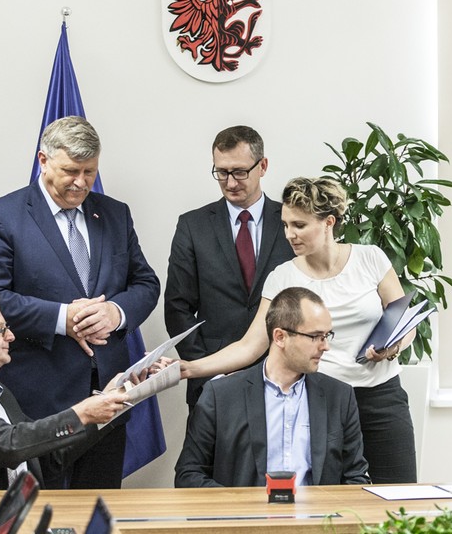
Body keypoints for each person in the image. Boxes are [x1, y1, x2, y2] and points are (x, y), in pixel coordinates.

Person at [181, 177, 417, 483]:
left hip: (382, 396)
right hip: (325, 401)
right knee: (332, 499)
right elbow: (250, 346)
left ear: (328, 222)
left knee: (399, 496)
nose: (289, 234)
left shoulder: (370, 258)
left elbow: (404, 322)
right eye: (286, 225)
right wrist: (187, 368)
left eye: (300, 225)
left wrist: (394, 346)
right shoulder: (282, 277)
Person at [0, 116, 160, 489]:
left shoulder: (115, 214)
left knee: (97, 513)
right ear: (43, 160)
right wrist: (62, 318)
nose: (81, 182)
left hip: (108, 398)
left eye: (90, 172)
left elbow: (145, 283)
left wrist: (114, 313)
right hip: (38, 405)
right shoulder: (2, 217)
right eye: (70, 170)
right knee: (43, 514)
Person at [0, 291, 132, 490]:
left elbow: (50, 457)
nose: (11, 336)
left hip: (25, 517)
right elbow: (8, 446)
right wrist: (83, 412)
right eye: (1, 329)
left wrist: (109, 404)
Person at [175, 287, 370, 487]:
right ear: (280, 337)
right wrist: (240, 506)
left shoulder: (339, 397)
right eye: (315, 336)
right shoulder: (221, 396)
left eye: (327, 335)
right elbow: (188, 475)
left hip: (317, 516)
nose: (325, 346)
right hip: (246, 516)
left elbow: (355, 477)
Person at [165, 125, 294, 410]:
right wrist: (209, 369)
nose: (230, 182)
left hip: (283, 372)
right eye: (221, 172)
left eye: (239, 172)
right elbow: (178, 307)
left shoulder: (291, 223)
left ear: (263, 166)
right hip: (212, 377)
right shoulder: (192, 226)